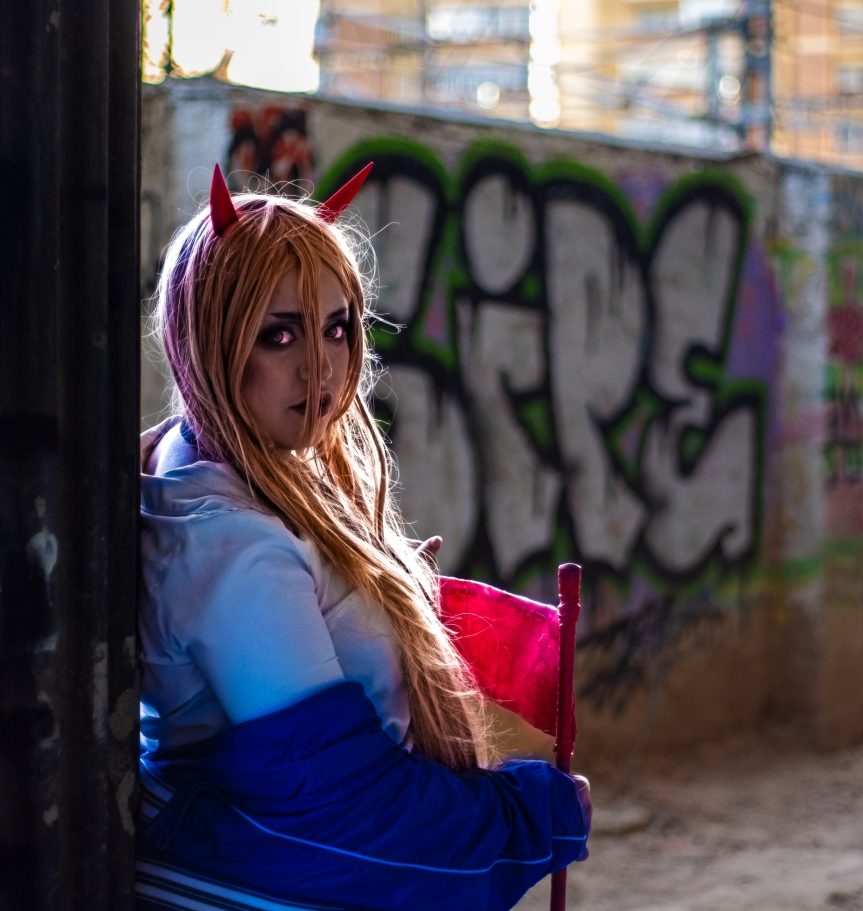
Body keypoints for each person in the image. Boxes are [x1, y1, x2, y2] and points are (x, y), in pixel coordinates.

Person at [136, 163, 591, 911]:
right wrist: (538, 811)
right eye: (277, 334)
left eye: (337, 326)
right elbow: (342, 811)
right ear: (209, 340)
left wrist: (377, 601)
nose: (320, 365)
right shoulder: (231, 545)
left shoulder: (202, 467)